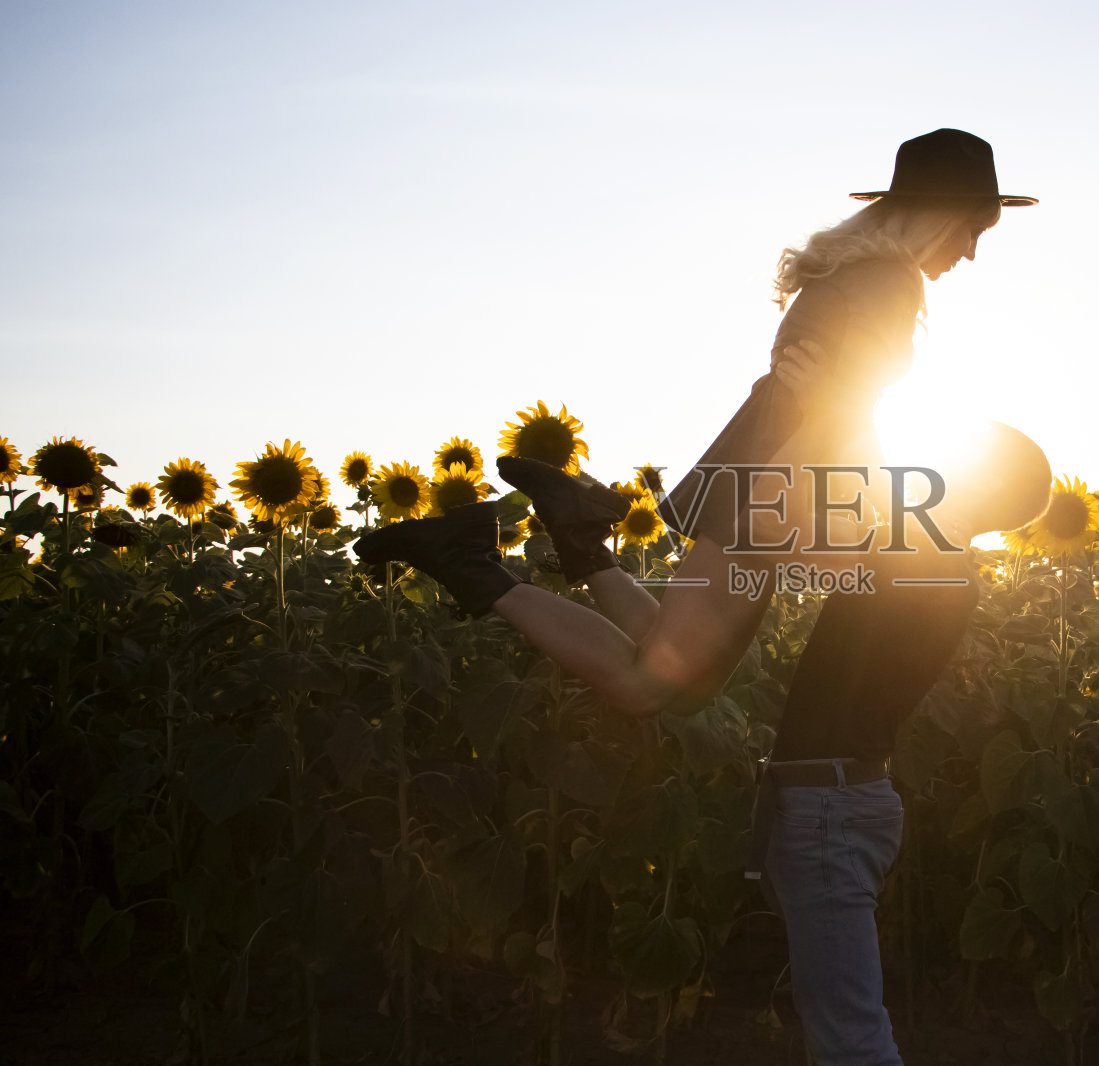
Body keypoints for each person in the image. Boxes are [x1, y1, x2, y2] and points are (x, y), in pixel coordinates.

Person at [354, 129, 1037, 717]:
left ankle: (579, 530)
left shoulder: (848, 274)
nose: (972, 250)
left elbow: (825, 388)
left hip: (768, 466)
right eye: (974, 227)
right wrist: (823, 521)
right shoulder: (892, 280)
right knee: (651, 685)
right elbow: (846, 404)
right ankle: (469, 559)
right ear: (940, 212)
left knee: (677, 672)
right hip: (782, 483)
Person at [750, 421, 1052, 1066]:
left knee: (849, 1039)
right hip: (827, 801)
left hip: (829, 809)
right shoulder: (931, 556)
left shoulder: (927, 556)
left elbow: (812, 509)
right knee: (836, 1025)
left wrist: (845, 390)